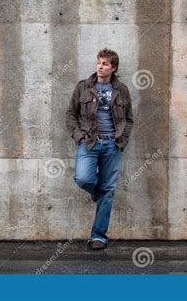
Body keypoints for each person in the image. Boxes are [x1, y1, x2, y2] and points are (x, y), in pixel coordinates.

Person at [65, 48, 134, 250]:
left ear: (113, 68)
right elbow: (70, 115)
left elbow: (129, 118)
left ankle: (98, 236)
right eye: (98, 63)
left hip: (112, 144)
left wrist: (122, 139)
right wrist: (79, 136)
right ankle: (96, 191)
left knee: (109, 190)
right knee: (83, 178)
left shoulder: (122, 90)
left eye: (104, 64)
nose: (100, 66)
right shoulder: (83, 87)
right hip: (89, 143)